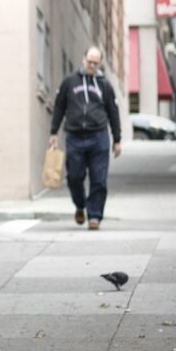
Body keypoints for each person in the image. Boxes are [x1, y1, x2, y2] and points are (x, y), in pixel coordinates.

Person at [49, 46, 122, 230]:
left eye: (95, 63)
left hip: (98, 136)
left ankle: (95, 216)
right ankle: (80, 205)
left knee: (99, 179)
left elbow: (113, 112)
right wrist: (53, 132)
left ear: (99, 64)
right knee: (74, 177)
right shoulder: (70, 82)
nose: (91, 65)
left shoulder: (104, 85)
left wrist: (117, 139)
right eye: (89, 61)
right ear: (83, 60)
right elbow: (59, 107)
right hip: (74, 136)